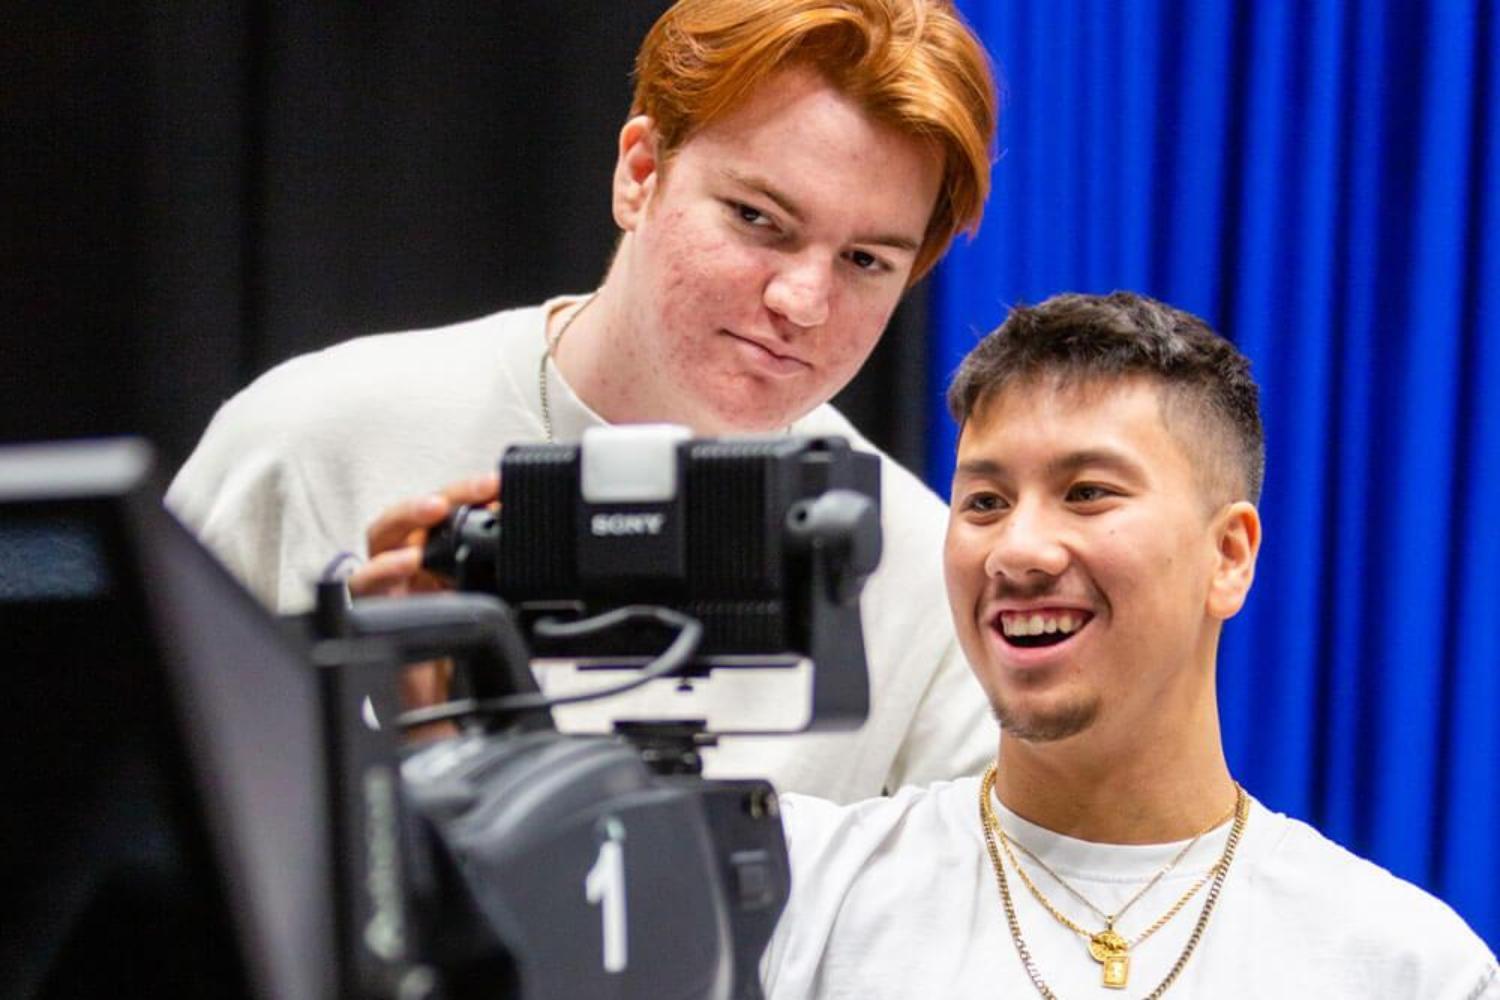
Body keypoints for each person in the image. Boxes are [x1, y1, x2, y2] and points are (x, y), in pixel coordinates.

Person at [167, 0, 1000, 802]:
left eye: (864, 262)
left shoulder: (923, 571)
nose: (804, 302)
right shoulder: (312, 443)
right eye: (758, 218)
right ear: (640, 172)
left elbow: (984, 924)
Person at [761, 291, 1499, 998]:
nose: (1016, 552)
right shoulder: (802, 895)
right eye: (985, 502)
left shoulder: (1407, 967)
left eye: (1087, 492)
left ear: (1230, 555)